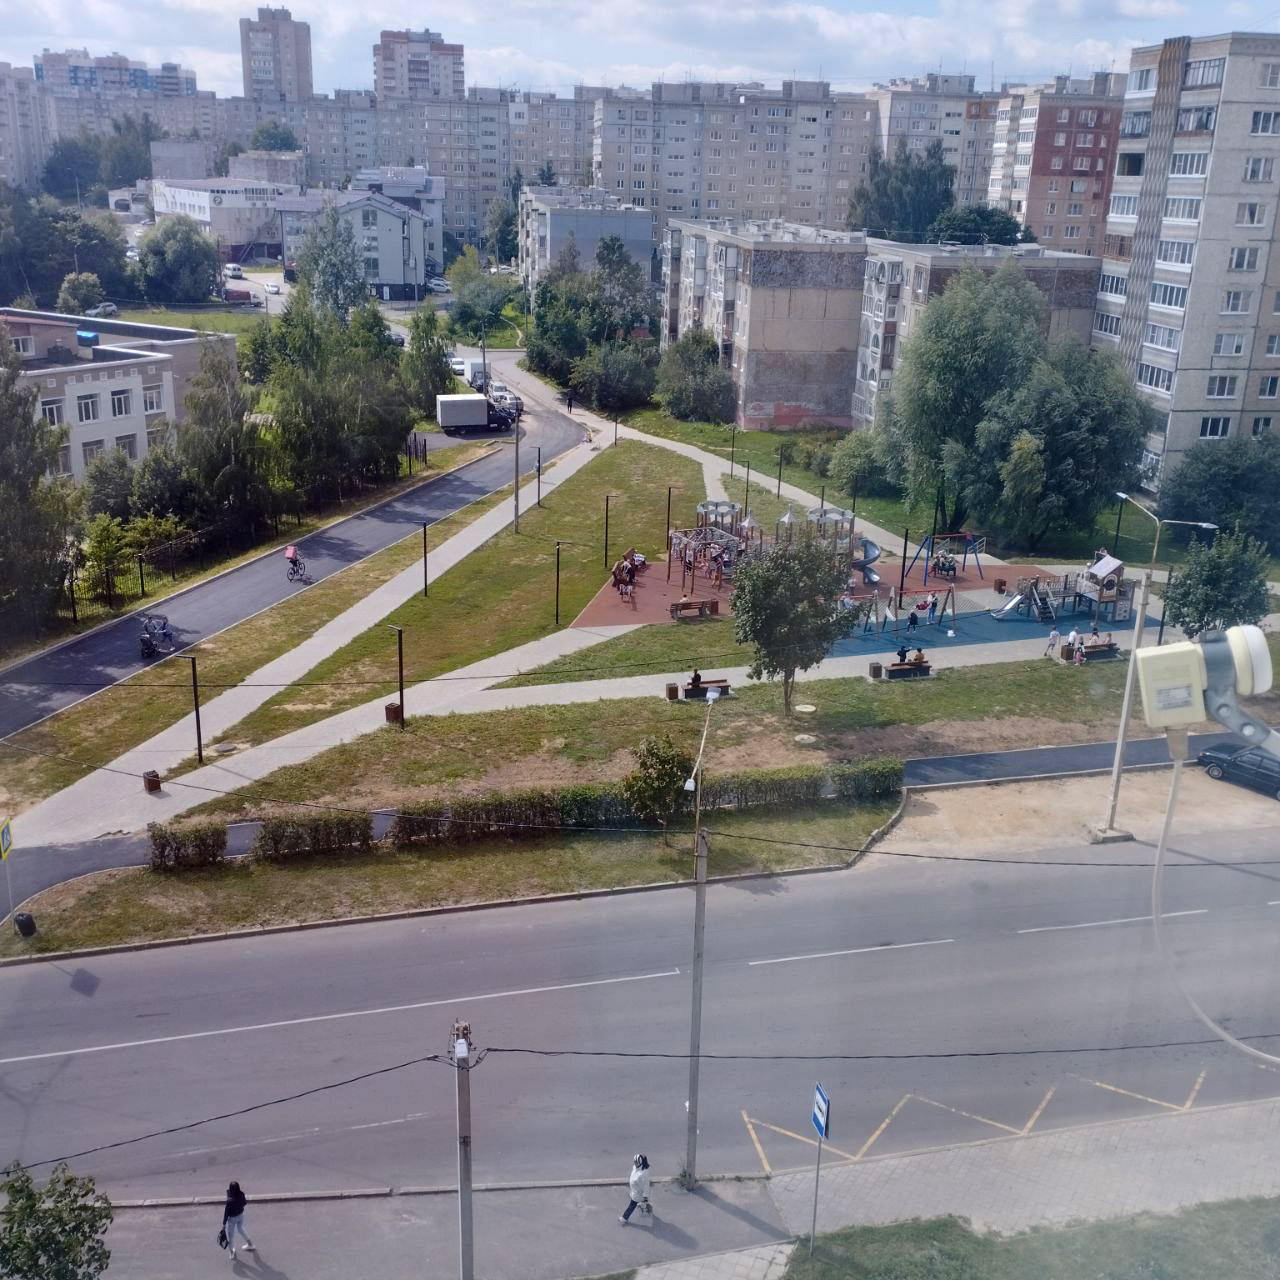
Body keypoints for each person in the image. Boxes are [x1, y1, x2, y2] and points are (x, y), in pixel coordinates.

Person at [222, 1181, 254, 1259]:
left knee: (231, 1236)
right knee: (240, 1229)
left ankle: (232, 1252)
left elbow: (226, 1213)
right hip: (240, 1215)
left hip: (232, 1219)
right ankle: (250, 1244)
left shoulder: (230, 1201)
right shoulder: (241, 1194)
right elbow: (245, 1203)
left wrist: (224, 1223)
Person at [619, 1154, 652, 1224]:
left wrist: (645, 1197)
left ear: (640, 1163)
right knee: (641, 1202)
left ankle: (624, 1218)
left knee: (631, 1206)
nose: (634, 1163)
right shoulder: (636, 1167)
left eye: (636, 1162)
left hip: (638, 1193)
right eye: (634, 1161)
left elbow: (646, 1186)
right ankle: (646, 1206)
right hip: (635, 1190)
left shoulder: (643, 1174)